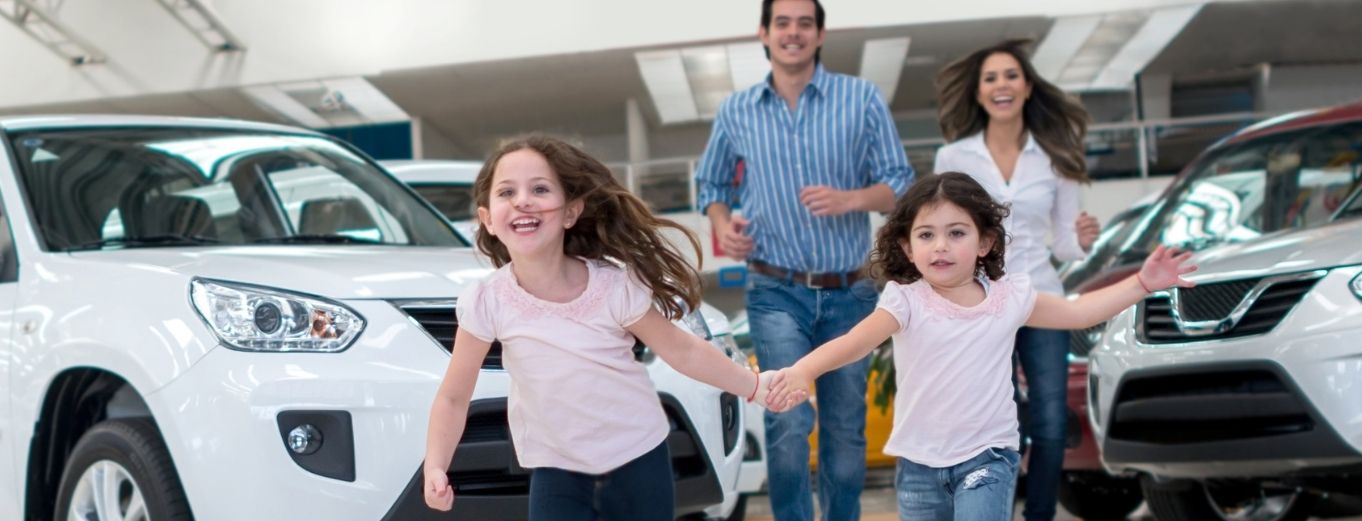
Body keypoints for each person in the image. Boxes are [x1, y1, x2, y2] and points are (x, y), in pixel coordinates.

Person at [766, 172, 1195, 520]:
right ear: (907, 247)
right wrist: (805, 370)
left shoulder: (1008, 298)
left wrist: (1142, 283)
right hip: (918, 464)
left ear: (985, 242)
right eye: (927, 235)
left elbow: (1080, 312)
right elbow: (855, 342)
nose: (941, 246)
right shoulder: (906, 299)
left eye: (956, 233)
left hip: (987, 457)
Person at [423, 135, 782, 521]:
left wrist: (755, 386)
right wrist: (435, 466)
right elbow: (454, 397)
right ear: (488, 219)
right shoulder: (487, 301)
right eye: (507, 192)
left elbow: (683, 350)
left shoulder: (613, 285)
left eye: (540, 189)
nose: (522, 200)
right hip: (556, 471)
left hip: (638, 459)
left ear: (570, 213)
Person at [694, 0, 914, 518]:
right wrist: (726, 226)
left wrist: (851, 199)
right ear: (764, 34)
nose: (793, 33)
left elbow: (901, 183)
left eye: (805, 24)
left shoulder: (860, 99)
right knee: (786, 417)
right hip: (774, 289)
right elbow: (712, 184)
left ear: (819, 35)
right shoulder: (737, 110)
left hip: (852, 291)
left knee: (843, 424)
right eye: (783, 23)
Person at [932, 39, 1102, 521]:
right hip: (981, 303)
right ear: (979, 92)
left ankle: (1040, 515)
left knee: (1049, 423)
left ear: (1027, 87)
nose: (1000, 85)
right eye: (990, 78)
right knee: (994, 424)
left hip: (1041, 296)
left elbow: (1065, 244)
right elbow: (945, 233)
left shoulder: (1054, 157)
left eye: (1010, 76)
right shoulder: (954, 157)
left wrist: (1083, 237)